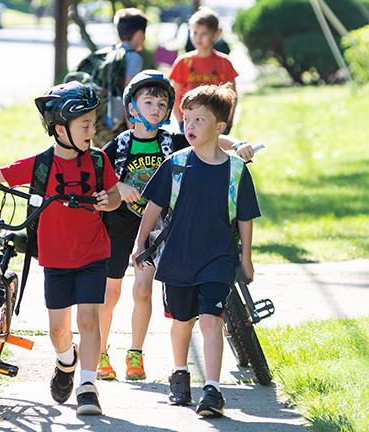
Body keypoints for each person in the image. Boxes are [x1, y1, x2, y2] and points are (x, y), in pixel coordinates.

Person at [0, 82, 121, 415]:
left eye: (93, 122)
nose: (93, 129)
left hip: (93, 254)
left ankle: (87, 387)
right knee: (58, 330)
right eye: (85, 124)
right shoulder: (42, 164)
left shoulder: (98, 161)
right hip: (55, 257)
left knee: (88, 320)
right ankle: (66, 361)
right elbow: (1, 174)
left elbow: (114, 195)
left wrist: (108, 201)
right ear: (59, 129)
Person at [96, 71, 254, 382]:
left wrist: (238, 144)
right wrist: (118, 184)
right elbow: (96, 168)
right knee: (111, 292)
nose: (156, 108)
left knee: (142, 291)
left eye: (162, 103)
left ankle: (135, 354)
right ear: (132, 108)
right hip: (120, 224)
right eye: (148, 102)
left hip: (158, 228)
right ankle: (101, 352)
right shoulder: (121, 144)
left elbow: (212, 136)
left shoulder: (172, 141)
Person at [132, 83, 261, 417]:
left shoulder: (236, 171)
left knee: (210, 321)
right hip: (177, 257)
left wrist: (246, 258)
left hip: (218, 257)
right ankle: (180, 373)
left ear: (220, 127)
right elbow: (154, 207)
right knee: (181, 322)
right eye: (186, 119)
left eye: (199, 120)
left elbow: (245, 217)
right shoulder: (176, 164)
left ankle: (213, 390)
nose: (189, 126)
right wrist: (139, 243)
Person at [169, 6, 239, 135]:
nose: (198, 38)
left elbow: (232, 96)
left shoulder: (224, 63)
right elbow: (174, 94)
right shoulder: (183, 62)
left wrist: (227, 122)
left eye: (204, 34)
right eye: (195, 33)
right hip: (189, 123)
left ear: (216, 34)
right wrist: (180, 121)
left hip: (214, 122)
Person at [92, 7, 148, 146]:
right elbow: (129, 94)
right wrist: (133, 129)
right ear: (140, 34)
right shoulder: (134, 57)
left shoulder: (109, 54)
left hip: (100, 122)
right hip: (118, 127)